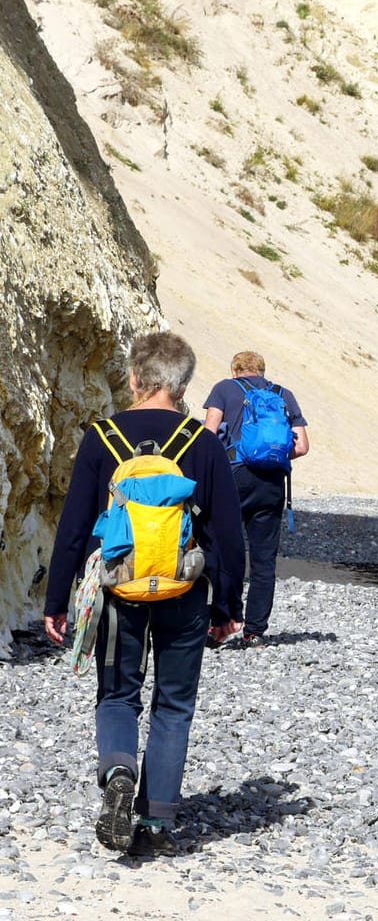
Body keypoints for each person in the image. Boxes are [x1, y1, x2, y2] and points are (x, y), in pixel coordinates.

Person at [42, 332, 246, 856]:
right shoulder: (200, 443)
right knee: (173, 706)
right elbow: (227, 531)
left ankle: (117, 771)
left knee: (116, 696)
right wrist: (228, 607)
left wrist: (57, 601)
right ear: (182, 386)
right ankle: (154, 824)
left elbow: (73, 526)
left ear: (134, 379)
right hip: (184, 587)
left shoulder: (102, 437)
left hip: (118, 587)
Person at [202, 351, 309, 648]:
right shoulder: (283, 394)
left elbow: (209, 435)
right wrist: (270, 455)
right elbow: (302, 447)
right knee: (264, 559)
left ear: (235, 370)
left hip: (233, 478)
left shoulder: (225, 388)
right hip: (273, 483)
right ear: (262, 371)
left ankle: (221, 623)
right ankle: (255, 631)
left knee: (225, 551)